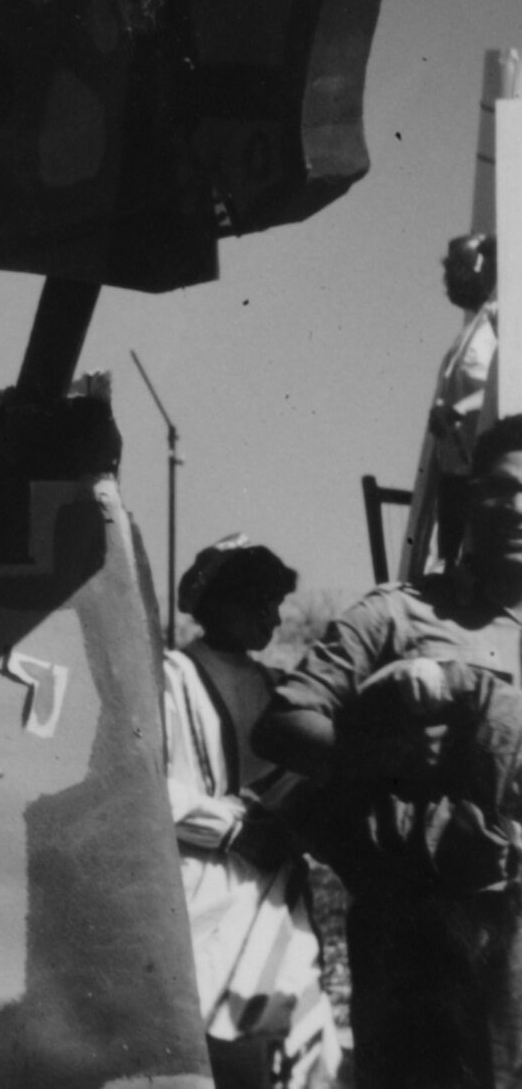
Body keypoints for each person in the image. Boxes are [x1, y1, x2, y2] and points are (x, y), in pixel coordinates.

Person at [260, 410, 522, 1087]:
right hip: (419, 931)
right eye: (501, 487)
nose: (517, 507)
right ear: (470, 500)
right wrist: (385, 753)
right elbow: (283, 724)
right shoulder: (398, 613)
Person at [160, 536, 341, 1088]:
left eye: (276, 603)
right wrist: (231, 830)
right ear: (222, 603)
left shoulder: (275, 688)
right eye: (262, 602)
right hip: (202, 884)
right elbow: (146, 786)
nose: (274, 618)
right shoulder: (169, 676)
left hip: (273, 884)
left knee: (290, 1034)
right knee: (213, 1037)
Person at [411, 232, 499, 570]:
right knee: (450, 573)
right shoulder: (470, 332)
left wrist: (459, 409)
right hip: (456, 477)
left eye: (459, 268)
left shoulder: (501, 318)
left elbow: (510, 384)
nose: (451, 278)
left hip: (488, 476)